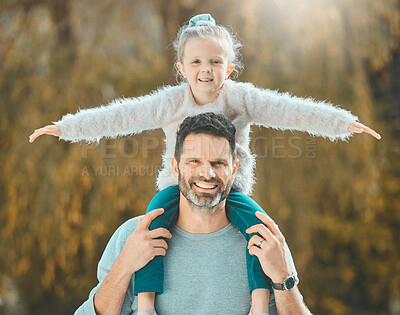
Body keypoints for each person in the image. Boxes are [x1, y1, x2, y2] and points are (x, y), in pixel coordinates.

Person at [29, 13, 379, 314]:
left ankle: (259, 303)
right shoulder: (170, 103)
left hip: (232, 191)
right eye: (196, 62)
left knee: (259, 232)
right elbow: (120, 116)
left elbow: (291, 110)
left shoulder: (242, 98)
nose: (206, 70)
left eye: (214, 62)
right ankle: (147, 302)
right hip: (174, 188)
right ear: (181, 68)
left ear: (229, 67)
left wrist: (342, 123)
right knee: (152, 227)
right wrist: (66, 128)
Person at [74, 112, 312, 315]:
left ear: (234, 168)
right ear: (175, 166)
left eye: (218, 163)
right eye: (194, 161)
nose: (207, 173)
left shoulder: (266, 242)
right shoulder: (133, 236)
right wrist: (125, 263)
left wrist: (283, 277)